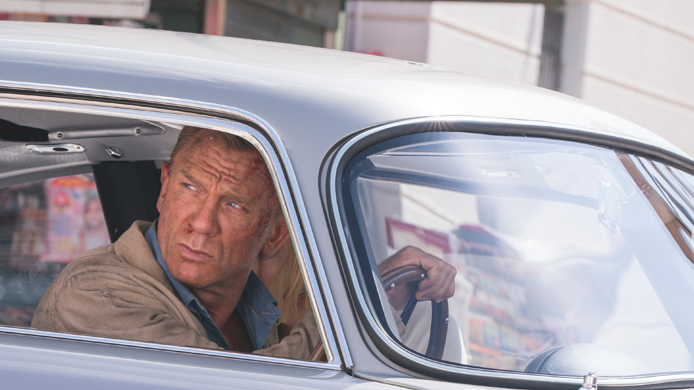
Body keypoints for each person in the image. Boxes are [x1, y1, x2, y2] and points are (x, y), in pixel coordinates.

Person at [32, 127, 455, 360]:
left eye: (234, 204)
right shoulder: (93, 293)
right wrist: (367, 297)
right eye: (190, 188)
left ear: (274, 233)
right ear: (164, 187)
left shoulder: (251, 311)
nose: (202, 224)